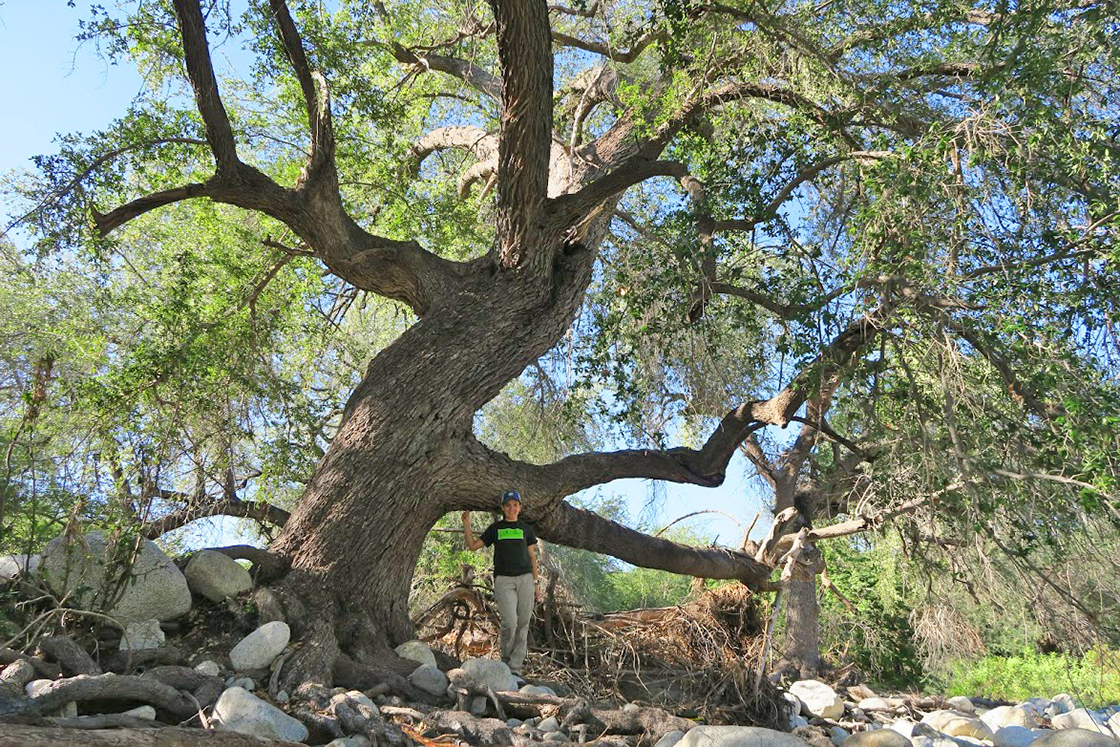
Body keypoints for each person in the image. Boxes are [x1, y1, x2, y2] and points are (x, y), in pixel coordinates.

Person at [461, 489, 542, 677]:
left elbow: (532, 557)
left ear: (519, 508)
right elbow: (472, 546)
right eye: (508, 505)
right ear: (503, 508)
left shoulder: (525, 529)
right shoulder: (495, 529)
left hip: (526, 580)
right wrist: (466, 524)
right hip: (504, 580)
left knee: (523, 623)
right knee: (510, 622)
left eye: (515, 505)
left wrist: (536, 584)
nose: (511, 508)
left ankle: (515, 669)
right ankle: (505, 661)